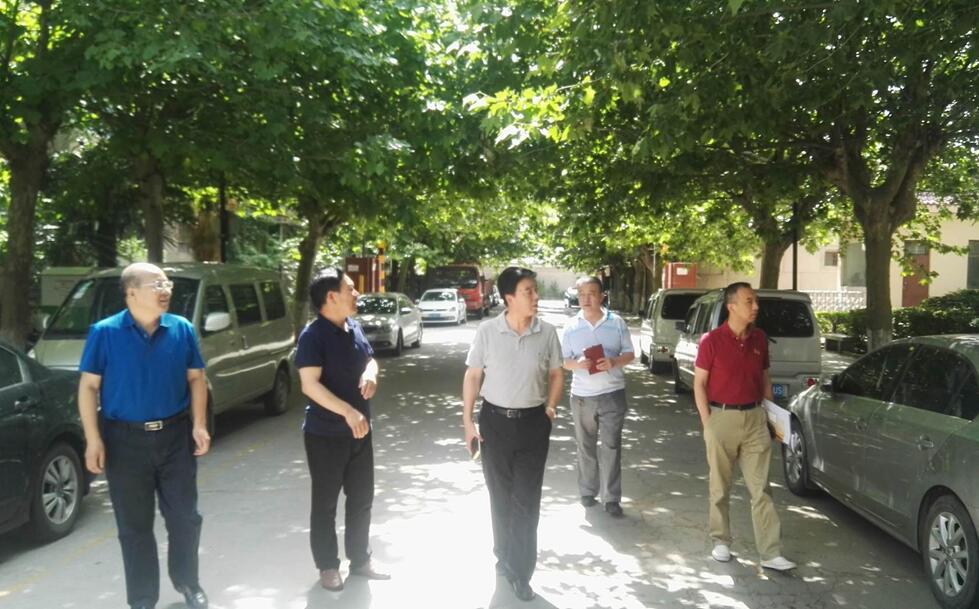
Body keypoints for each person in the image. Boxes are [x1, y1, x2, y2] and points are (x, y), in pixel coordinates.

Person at [77, 263, 211, 609]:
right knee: (134, 527)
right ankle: (142, 600)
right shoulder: (105, 332)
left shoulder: (180, 328)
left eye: (167, 283)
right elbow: (89, 387)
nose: (165, 290)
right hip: (124, 442)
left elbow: (196, 378)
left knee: (185, 518)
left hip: (175, 437)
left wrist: (198, 424)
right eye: (157, 284)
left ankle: (188, 582)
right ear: (131, 292)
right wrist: (93, 439)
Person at [462, 266, 563, 602]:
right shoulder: (488, 331)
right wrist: (467, 422)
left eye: (535, 290)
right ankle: (503, 554)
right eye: (528, 291)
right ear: (509, 298)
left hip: (534, 423)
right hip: (495, 424)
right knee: (500, 496)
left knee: (526, 501)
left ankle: (521, 571)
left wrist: (550, 408)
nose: (535, 296)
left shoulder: (547, 332)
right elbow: (473, 376)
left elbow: (557, 374)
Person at [295, 268, 389, 592]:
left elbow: (370, 359)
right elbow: (309, 385)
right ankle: (327, 566)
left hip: (360, 431)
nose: (356, 293)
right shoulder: (313, 336)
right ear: (331, 296)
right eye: (350, 288)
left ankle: (360, 560)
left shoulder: (354, 327)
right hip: (325, 435)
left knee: (361, 498)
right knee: (325, 504)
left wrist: (371, 372)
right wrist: (347, 411)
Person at [693, 282, 795, 571]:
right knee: (720, 486)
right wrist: (708, 423)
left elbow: (765, 380)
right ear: (732, 306)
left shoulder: (759, 339)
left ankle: (770, 552)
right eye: (749, 301)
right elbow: (699, 384)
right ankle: (721, 541)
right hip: (721, 417)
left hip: (755, 419)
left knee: (761, 488)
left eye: (755, 301)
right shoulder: (711, 341)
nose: (755, 306)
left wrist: (771, 419)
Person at [561, 276, 635, 517]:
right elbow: (563, 361)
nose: (586, 299)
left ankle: (611, 498)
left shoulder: (617, 323)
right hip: (582, 396)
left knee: (611, 447)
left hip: (612, 393)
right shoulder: (571, 326)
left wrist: (613, 361)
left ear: (602, 296)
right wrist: (578, 364)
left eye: (591, 293)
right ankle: (587, 491)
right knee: (585, 446)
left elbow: (630, 354)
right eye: (581, 294)